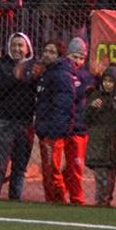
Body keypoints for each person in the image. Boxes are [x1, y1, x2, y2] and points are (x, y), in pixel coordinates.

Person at [29, 38, 90, 206]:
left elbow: (66, 103)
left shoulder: (82, 76)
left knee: (72, 169)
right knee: (53, 169)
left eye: (81, 58)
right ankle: (59, 199)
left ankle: (72, 200)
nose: (77, 61)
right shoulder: (51, 73)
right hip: (60, 128)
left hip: (72, 129)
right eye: (74, 57)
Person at [0, 33, 36, 201]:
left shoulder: (34, 67)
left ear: (27, 48)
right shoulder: (0, 65)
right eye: (14, 45)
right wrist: (14, 77)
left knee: (20, 168)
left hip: (25, 122)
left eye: (21, 45)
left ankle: (15, 201)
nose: (17, 49)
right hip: (4, 121)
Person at [84, 64, 116, 206]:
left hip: (115, 146)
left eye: (111, 81)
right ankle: (100, 203)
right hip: (98, 145)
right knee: (101, 179)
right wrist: (92, 108)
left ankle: (106, 202)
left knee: (110, 179)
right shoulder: (95, 97)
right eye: (105, 81)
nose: (107, 84)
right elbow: (86, 120)